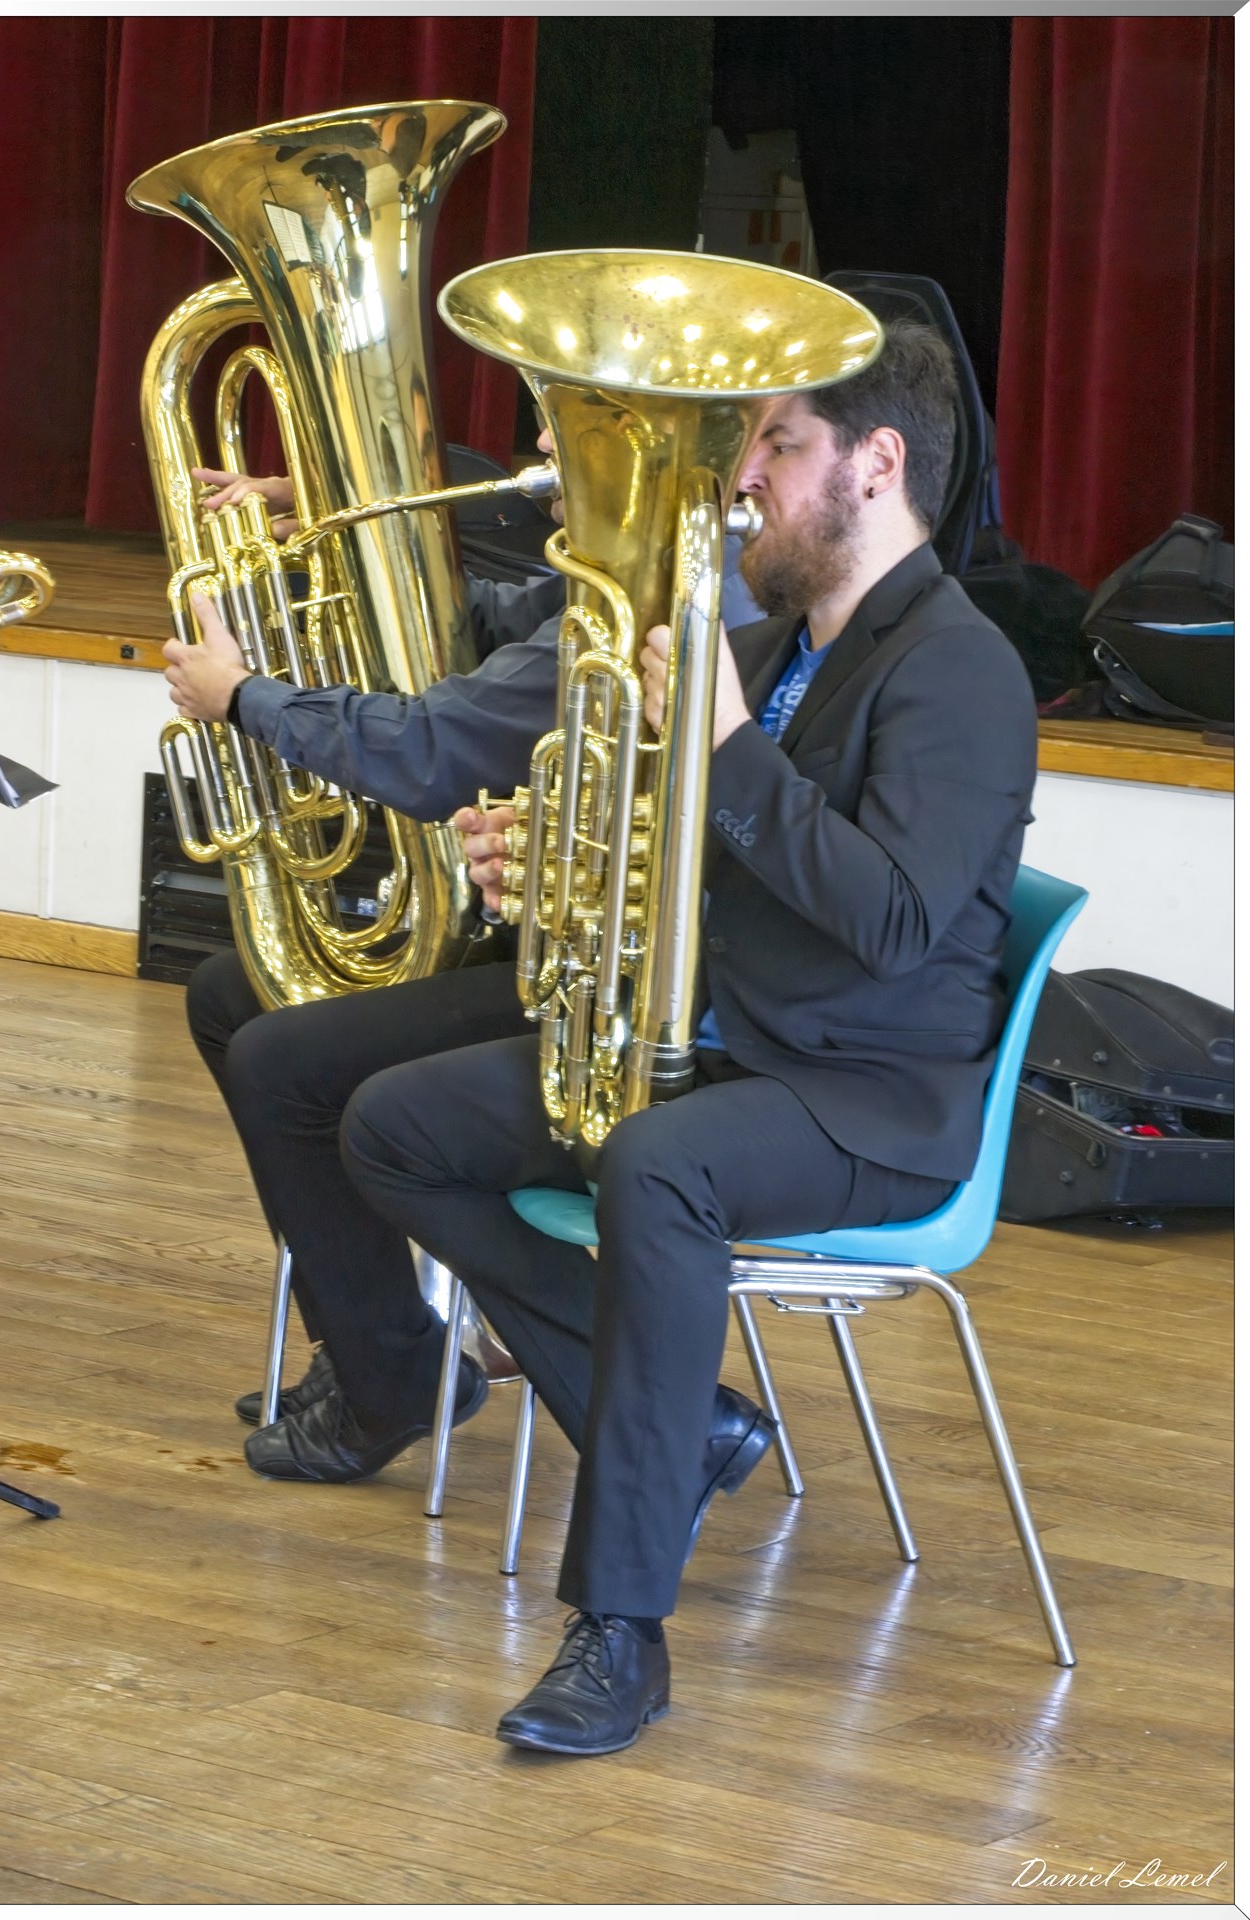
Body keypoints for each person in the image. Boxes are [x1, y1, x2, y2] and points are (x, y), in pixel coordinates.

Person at [276, 318, 1038, 1756]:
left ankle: (622, 1632)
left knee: (659, 1167)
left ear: (877, 465)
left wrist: (732, 742)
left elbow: (888, 920)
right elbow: (710, 860)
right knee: (396, 1123)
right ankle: (678, 1430)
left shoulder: (960, 669)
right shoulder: (792, 648)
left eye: (778, 443)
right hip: (742, 1044)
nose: (744, 475)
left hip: (866, 1096)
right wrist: (555, 860)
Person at [163, 445, 775, 1500]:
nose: (542, 448)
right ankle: (377, 1344)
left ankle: (400, 1372)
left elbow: (430, 747)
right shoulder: (607, 580)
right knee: (231, 995)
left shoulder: (652, 614)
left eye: (566, 427)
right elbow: (484, 622)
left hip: (615, 1003)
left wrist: (246, 697)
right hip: (566, 953)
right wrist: (338, 529)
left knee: (288, 1069)